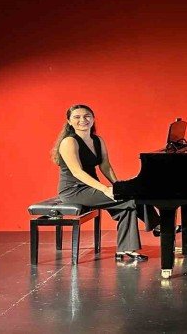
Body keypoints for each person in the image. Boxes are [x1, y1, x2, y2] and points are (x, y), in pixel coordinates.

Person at [51, 104, 159, 261]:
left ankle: (125, 249)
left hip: (90, 187)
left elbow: (105, 165)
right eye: (77, 117)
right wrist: (104, 189)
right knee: (130, 200)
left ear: (93, 119)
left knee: (126, 205)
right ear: (69, 121)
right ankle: (159, 226)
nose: (83, 120)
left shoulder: (97, 140)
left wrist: (119, 186)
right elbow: (77, 172)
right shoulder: (69, 142)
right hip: (74, 190)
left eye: (87, 116)